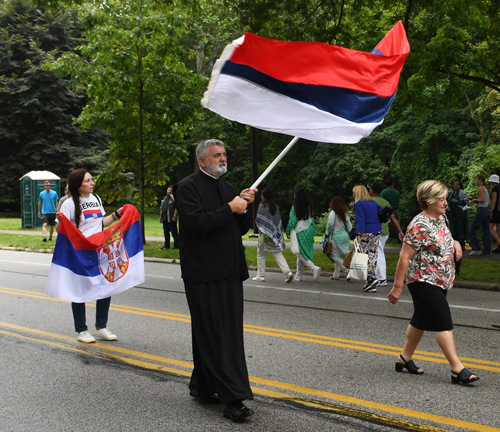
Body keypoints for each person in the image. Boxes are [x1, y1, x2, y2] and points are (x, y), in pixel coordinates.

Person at [174, 139, 256, 422]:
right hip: (204, 273)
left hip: (230, 271)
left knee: (218, 331)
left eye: (224, 154)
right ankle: (233, 399)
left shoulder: (227, 188)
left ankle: (204, 386)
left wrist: (245, 205)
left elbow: (241, 228)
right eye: (216, 155)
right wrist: (230, 209)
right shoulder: (186, 188)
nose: (222, 158)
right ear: (202, 161)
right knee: (218, 333)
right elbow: (197, 224)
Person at [388, 180, 479, 385]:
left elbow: (446, 238)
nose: (445, 202)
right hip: (423, 281)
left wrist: (455, 243)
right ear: (428, 200)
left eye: (445, 198)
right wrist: (397, 287)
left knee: (420, 319)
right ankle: (457, 369)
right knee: (442, 320)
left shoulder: (441, 218)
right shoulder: (419, 225)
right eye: (441, 199)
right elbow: (404, 257)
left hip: (441, 280)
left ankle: (404, 358)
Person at [59, 168, 123, 344]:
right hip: (79, 253)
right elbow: (63, 231)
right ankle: (81, 330)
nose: (92, 183)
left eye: (91, 180)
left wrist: (117, 214)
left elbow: (100, 223)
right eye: (87, 181)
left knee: (105, 287)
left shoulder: (96, 199)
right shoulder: (69, 204)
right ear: (78, 185)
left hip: (100, 250)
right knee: (80, 290)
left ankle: (101, 327)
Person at [252, 188, 293, 283]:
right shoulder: (275, 206)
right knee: (278, 254)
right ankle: (288, 272)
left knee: (261, 255)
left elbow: (259, 220)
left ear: (263, 196)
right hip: (274, 235)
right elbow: (277, 221)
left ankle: (260, 275)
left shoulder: (262, 206)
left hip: (264, 235)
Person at [368, 183, 404, 286]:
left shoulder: (370, 202)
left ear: (371, 191)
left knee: (378, 253)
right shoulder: (385, 202)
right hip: (385, 231)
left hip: (374, 230)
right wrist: (399, 230)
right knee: (377, 252)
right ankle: (375, 275)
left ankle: (382, 278)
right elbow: (392, 217)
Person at [352, 185, 385, 292]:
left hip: (366, 231)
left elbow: (360, 220)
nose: (352, 194)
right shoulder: (373, 202)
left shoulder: (359, 204)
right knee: (373, 255)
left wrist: (359, 234)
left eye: (354, 192)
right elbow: (383, 211)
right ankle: (371, 282)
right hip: (377, 230)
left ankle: (371, 278)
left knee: (365, 255)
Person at [285, 188, 321, 282]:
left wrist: (288, 231)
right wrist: (313, 234)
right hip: (309, 231)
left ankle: (313, 268)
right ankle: (299, 275)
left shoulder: (295, 207)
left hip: (299, 231)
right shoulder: (309, 207)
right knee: (300, 253)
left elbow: (292, 221)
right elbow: (312, 221)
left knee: (299, 252)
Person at [325, 196, 352, 280]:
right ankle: (336, 275)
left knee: (334, 256)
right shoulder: (344, 214)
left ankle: (348, 271)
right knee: (339, 256)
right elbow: (349, 226)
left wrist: (327, 233)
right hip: (344, 236)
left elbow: (330, 225)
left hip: (336, 237)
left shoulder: (333, 213)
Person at [469, 174, 491, 256]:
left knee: (472, 228)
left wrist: (476, 200)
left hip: (481, 210)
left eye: (476, 179)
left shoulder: (481, 188)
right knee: (486, 230)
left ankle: (476, 248)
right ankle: (486, 250)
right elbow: (488, 201)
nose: (475, 181)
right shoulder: (486, 189)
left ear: (480, 180)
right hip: (487, 210)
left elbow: (483, 199)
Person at [159, 185, 179, 250]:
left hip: (171, 218)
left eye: (171, 190)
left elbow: (176, 208)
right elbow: (161, 207)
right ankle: (166, 245)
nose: (169, 191)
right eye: (168, 190)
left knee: (174, 232)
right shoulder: (164, 199)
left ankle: (176, 245)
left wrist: (174, 216)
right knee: (166, 233)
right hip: (165, 219)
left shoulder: (174, 199)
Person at [488, 174, 500, 253]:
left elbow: (494, 200)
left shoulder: (495, 189)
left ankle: (499, 243)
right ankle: (499, 247)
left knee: (490, 228)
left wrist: (491, 210)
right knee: (499, 229)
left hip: (496, 210)